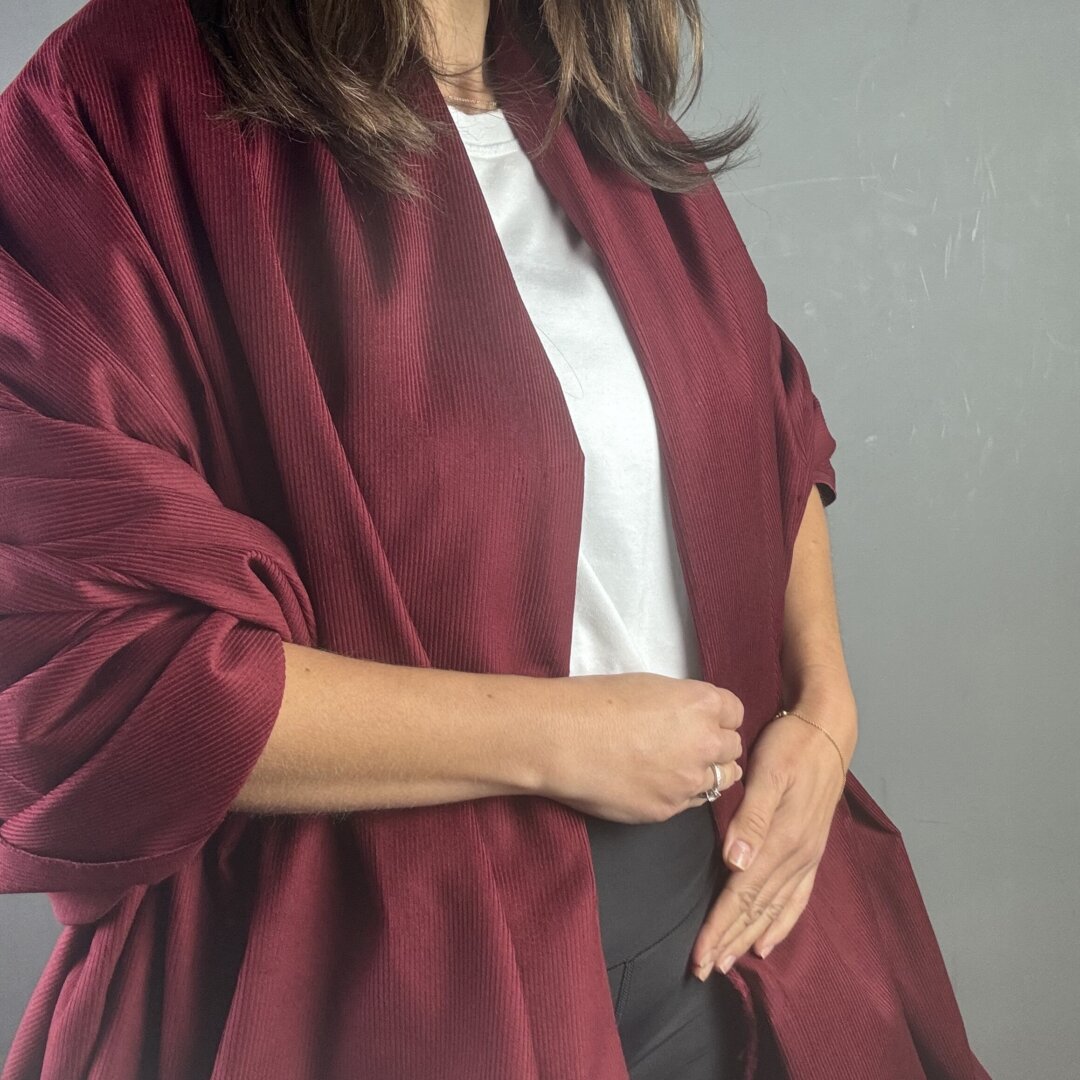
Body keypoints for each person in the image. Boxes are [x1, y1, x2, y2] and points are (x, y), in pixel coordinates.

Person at [0, 0, 992, 1077]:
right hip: (369, 982)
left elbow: (761, 417)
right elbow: (85, 664)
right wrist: (552, 738)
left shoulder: (583, 94)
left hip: (725, 925)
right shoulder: (122, 104)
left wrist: (825, 704)